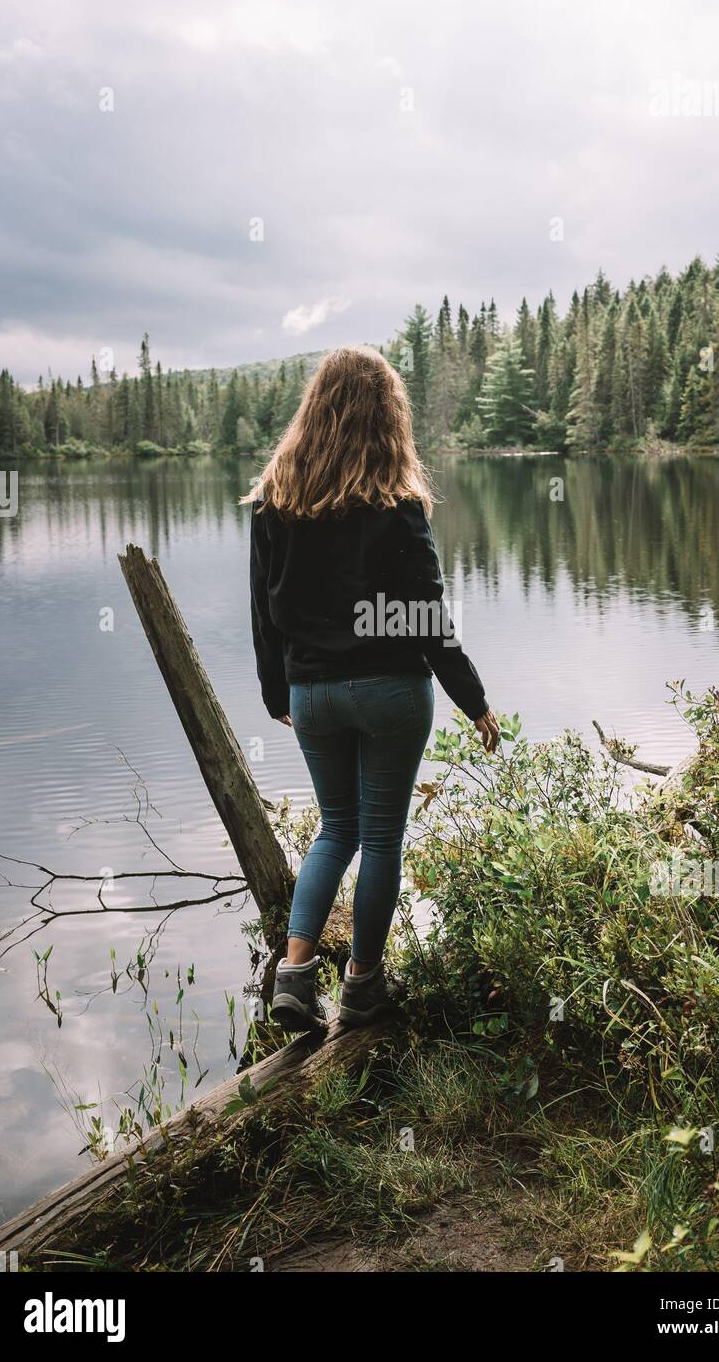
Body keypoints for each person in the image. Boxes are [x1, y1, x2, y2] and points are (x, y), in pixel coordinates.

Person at [244, 346, 498, 1031]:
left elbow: (264, 613)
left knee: (337, 828)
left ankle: (294, 975)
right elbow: (430, 616)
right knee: (381, 838)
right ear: (388, 416)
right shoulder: (397, 501)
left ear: (314, 408)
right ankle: (362, 988)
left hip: (313, 693)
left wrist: (278, 696)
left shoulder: (275, 501)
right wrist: (472, 699)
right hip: (391, 691)